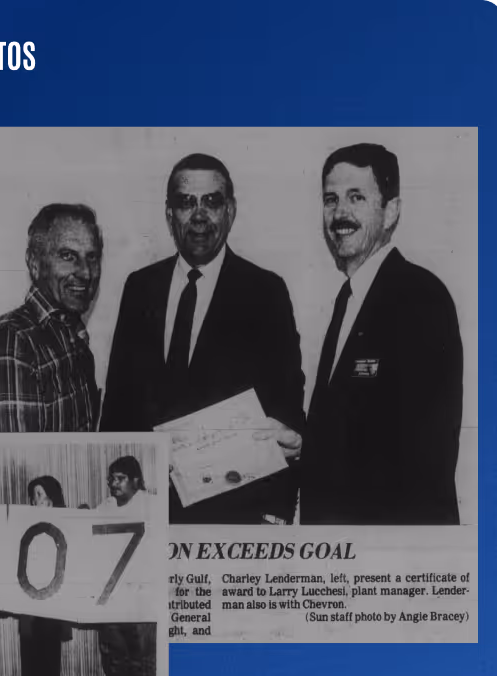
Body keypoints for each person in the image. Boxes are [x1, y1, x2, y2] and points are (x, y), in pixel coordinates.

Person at [100, 153, 305, 525]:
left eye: (212, 201)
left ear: (230, 211)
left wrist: (277, 511)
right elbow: (116, 404)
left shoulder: (266, 292)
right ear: (169, 215)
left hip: (233, 519)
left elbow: (286, 407)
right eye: (185, 202)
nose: (198, 215)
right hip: (147, 515)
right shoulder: (139, 288)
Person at [300, 143, 463, 524]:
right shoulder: (348, 300)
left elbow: (425, 457)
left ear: (391, 212)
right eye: (330, 199)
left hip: (389, 554)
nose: (340, 213)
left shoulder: (420, 297)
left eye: (357, 197)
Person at [0, 203, 103, 432]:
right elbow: (11, 463)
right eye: (68, 256)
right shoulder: (9, 342)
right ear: (35, 263)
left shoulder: (74, 339)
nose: (86, 272)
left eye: (92, 257)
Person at [95, 457, 156, 676]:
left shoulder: (152, 505)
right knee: (114, 662)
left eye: (119, 478)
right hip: (113, 599)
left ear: (135, 481)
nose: (113, 484)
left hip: (142, 599)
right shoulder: (104, 507)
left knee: (143, 663)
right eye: (110, 478)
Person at [18, 476, 71, 676]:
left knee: (51, 658)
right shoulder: (23, 527)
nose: (36, 500)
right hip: (31, 602)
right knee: (32, 660)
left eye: (40, 494)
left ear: (52, 498)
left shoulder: (64, 525)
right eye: (34, 496)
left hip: (53, 601)